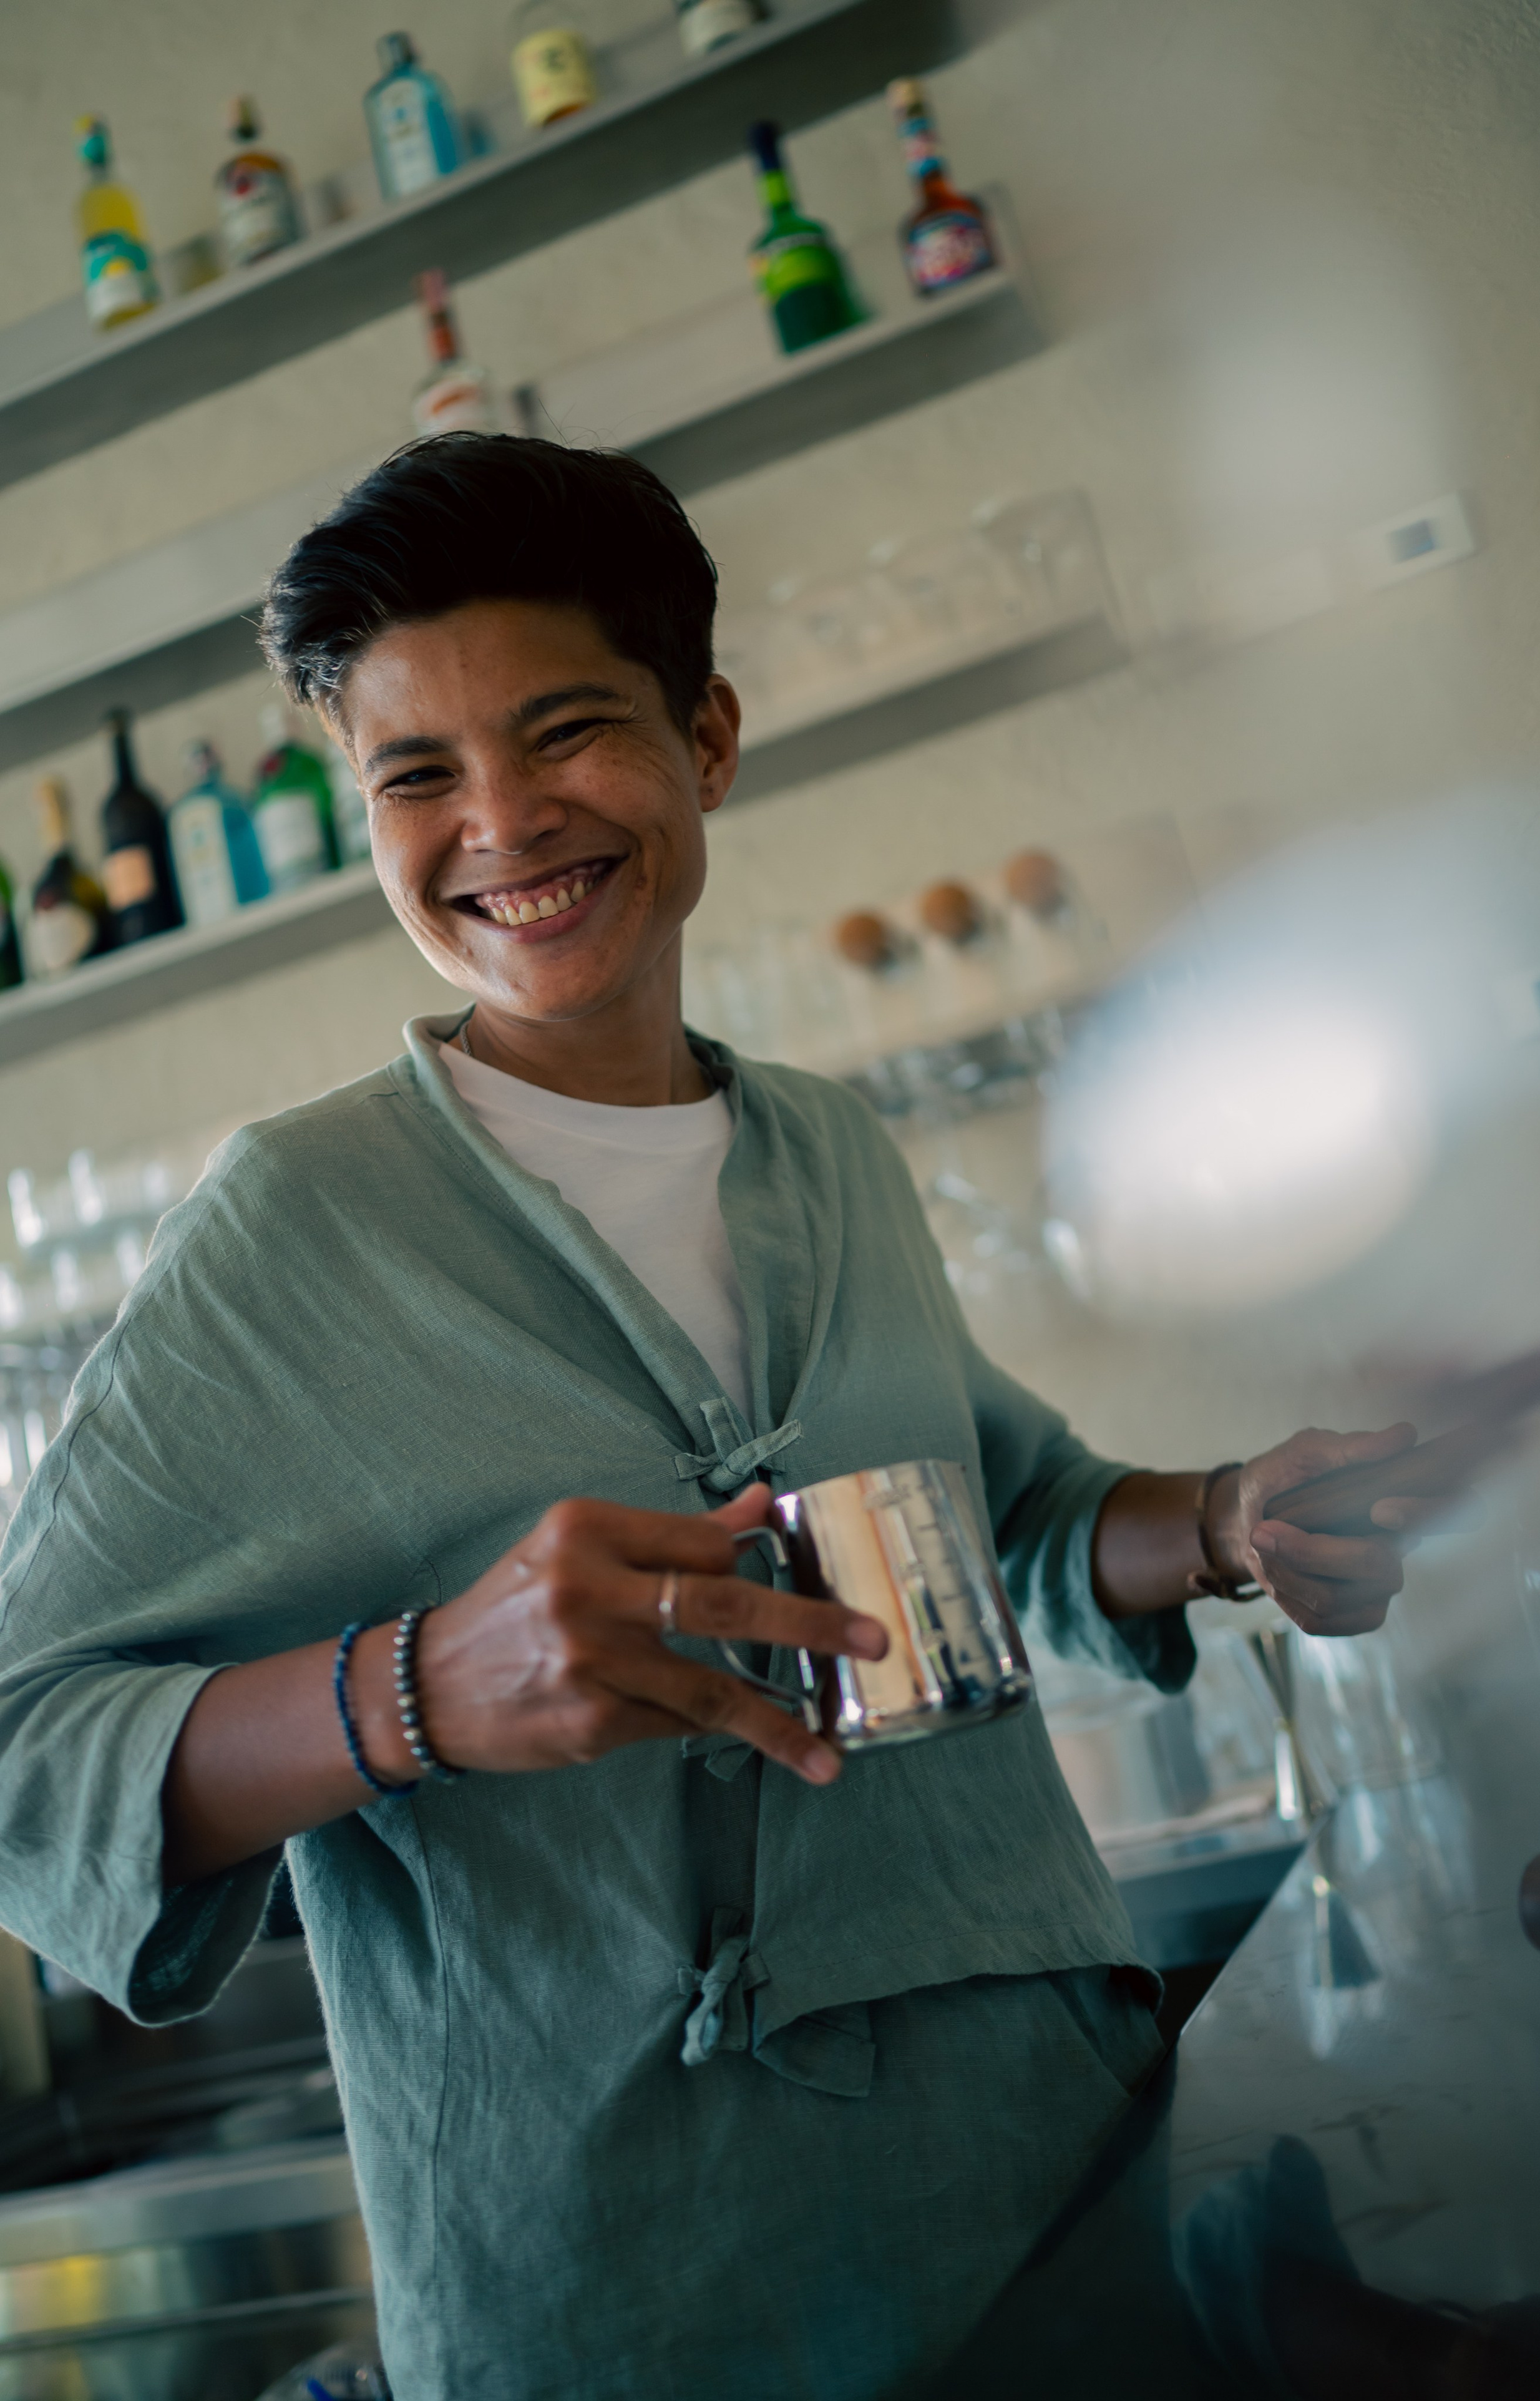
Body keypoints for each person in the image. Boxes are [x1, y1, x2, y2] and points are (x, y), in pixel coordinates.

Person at [0, 437, 1438, 2401]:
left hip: (1045, 2185)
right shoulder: (296, 1231)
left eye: (567, 732)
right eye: (415, 775)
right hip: (642, 2286)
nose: (500, 823)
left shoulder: (828, 1151)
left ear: (710, 739)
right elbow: (26, 1744)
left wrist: (1225, 1519)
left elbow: (1002, 1517)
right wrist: (419, 1689)